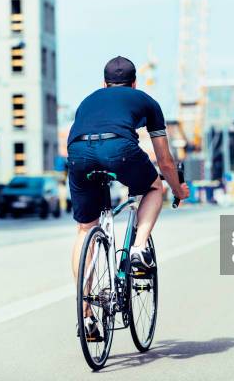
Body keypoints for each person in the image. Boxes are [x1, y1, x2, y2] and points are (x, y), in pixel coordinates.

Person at [67, 56, 189, 339]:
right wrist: (178, 189)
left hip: (78, 155)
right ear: (134, 83)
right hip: (119, 150)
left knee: (85, 229)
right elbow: (165, 162)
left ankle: (85, 317)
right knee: (153, 187)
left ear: (104, 83)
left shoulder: (88, 100)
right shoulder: (145, 101)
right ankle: (138, 248)